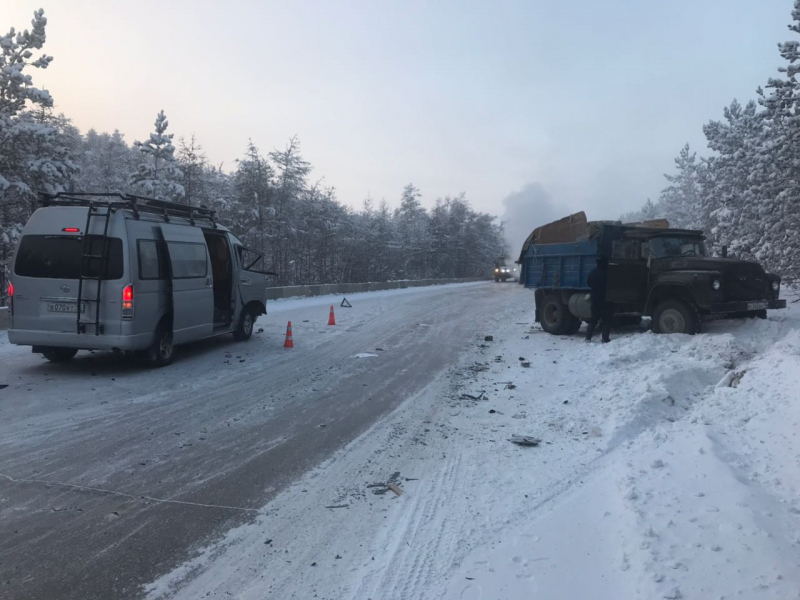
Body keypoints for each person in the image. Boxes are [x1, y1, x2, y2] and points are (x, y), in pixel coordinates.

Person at [585, 258, 615, 343]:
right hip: (607, 300)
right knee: (607, 320)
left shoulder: (593, 272)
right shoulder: (610, 273)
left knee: (593, 319)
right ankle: (605, 338)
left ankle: (588, 337)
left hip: (595, 299)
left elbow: (589, 283)